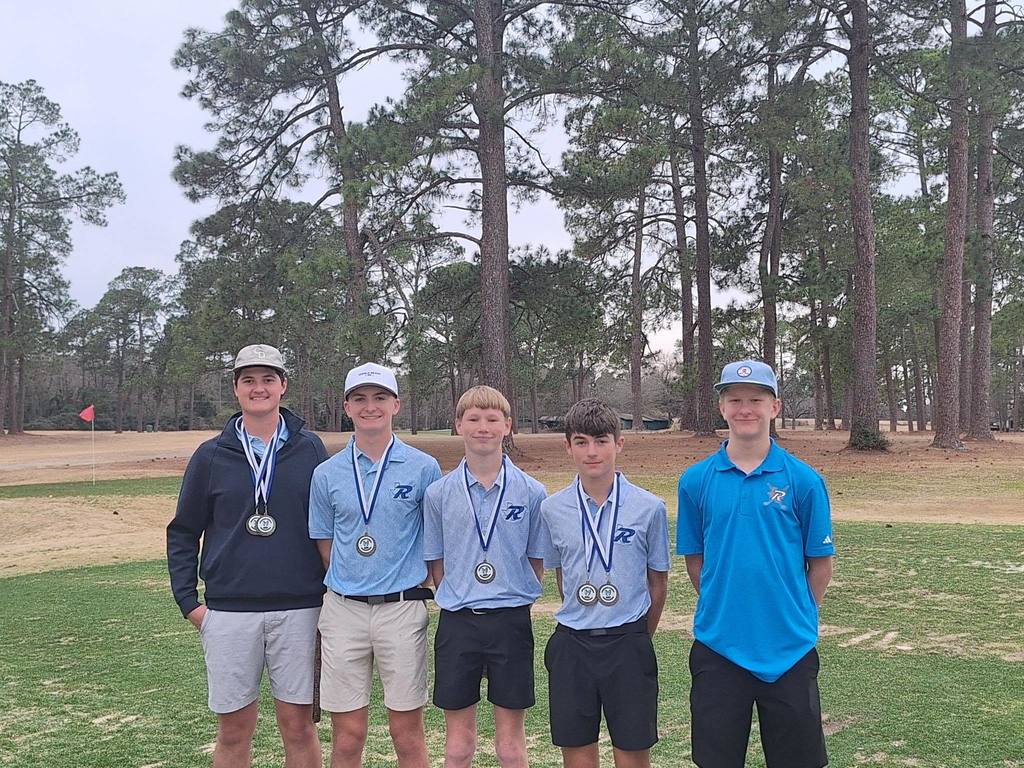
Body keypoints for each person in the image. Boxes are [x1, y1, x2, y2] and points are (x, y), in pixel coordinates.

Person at [167, 343, 327, 768]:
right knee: (235, 730)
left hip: (300, 608)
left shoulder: (310, 450)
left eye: (268, 379)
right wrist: (190, 604)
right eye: (249, 380)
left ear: (283, 386)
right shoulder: (210, 455)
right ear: (236, 389)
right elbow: (184, 530)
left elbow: (331, 526)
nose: (259, 388)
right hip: (229, 613)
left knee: (299, 727)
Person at [677, 359, 836, 768]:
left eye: (756, 399)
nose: (745, 408)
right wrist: (726, 602)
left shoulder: (803, 480)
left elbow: (820, 566)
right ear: (722, 408)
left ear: (775, 407)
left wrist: (792, 612)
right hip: (719, 646)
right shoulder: (695, 481)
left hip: (789, 648)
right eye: (735, 399)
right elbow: (695, 560)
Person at [308, 362, 442, 768]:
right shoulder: (326, 473)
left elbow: (434, 541)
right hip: (344, 610)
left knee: (408, 735)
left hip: (401, 611)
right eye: (360, 399)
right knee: (348, 737)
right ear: (346, 407)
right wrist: (357, 578)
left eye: (380, 397)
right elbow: (326, 543)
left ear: (396, 404)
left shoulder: (424, 468)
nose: (371, 407)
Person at [539, 398, 670, 768]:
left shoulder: (649, 507)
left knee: (631, 755)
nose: (592, 452)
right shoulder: (553, 509)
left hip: (628, 645)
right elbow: (563, 576)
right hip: (572, 646)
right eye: (581, 442)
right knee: (577, 757)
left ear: (619, 443)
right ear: (567, 446)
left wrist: (636, 634)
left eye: (601, 441)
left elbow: (657, 583)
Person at [423, 385, 547, 768]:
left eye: (492, 419)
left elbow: (535, 561)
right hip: (458, 623)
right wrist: (465, 591)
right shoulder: (439, 493)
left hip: (511, 621)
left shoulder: (531, 492)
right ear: (458, 424)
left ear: (507, 426)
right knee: (459, 746)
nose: (483, 427)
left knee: (510, 746)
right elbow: (436, 564)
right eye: (473, 419)